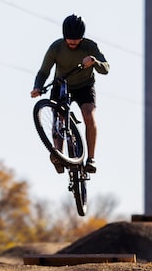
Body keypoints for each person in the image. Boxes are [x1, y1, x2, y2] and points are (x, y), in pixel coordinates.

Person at [31, 14, 110, 174]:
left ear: (82, 37)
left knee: (88, 115)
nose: (73, 42)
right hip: (61, 84)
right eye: (69, 39)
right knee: (59, 118)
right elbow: (44, 71)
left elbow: (106, 69)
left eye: (77, 39)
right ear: (64, 36)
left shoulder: (89, 47)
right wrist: (37, 87)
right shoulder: (56, 48)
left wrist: (94, 62)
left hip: (84, 86)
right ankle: (57, 154)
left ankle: (91, 158)